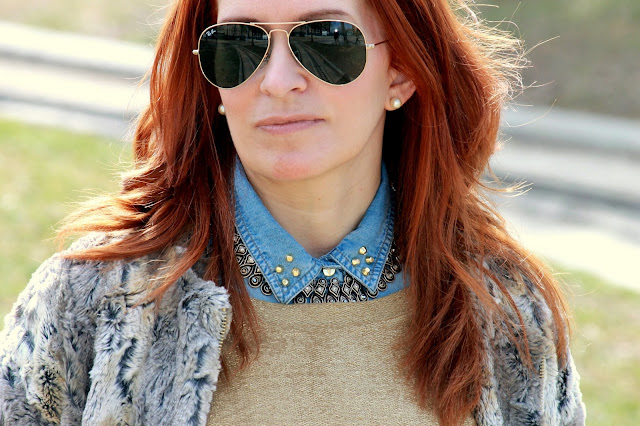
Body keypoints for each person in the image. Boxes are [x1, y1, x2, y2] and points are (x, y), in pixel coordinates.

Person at [0, 0, 586, 425]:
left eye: (326, 39)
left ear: (402, 69)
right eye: (239, 45)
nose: (277, 82)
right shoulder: (92, 298)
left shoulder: (506, 312)